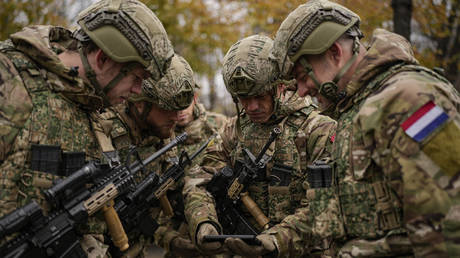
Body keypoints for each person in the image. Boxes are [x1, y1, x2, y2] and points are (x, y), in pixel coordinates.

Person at [269, 0, 460, 256]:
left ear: (335, 53)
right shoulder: (354, 109)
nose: (302, 91)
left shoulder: (409, 99)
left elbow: (449, 227)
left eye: (304, 76)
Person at [0, 0, 172, 256]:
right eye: (136, 78)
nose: (138, 91)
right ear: (102, 59)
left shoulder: (91, 111)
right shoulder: (10, 81)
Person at [182, 34, 337, 257]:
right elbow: (199, 181)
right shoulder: (233, 130)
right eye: (243, 98)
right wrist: (203, 222)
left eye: (260, 96)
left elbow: (324, 204)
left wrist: (276, 241)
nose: (252, 106)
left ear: (280, 85)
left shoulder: (319, 129)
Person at [98, 54, 202, 257]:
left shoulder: (162, 131)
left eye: (178, 109)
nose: (176, 117)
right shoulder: (104, 133)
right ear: (139, 103)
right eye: (167, 109)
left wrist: (167, 236)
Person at [174, 90, 228, 168]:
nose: (181, 111)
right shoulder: (161, 137)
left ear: (194, 98)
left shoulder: (219, 122)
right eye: (175, 105)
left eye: (185, 102)